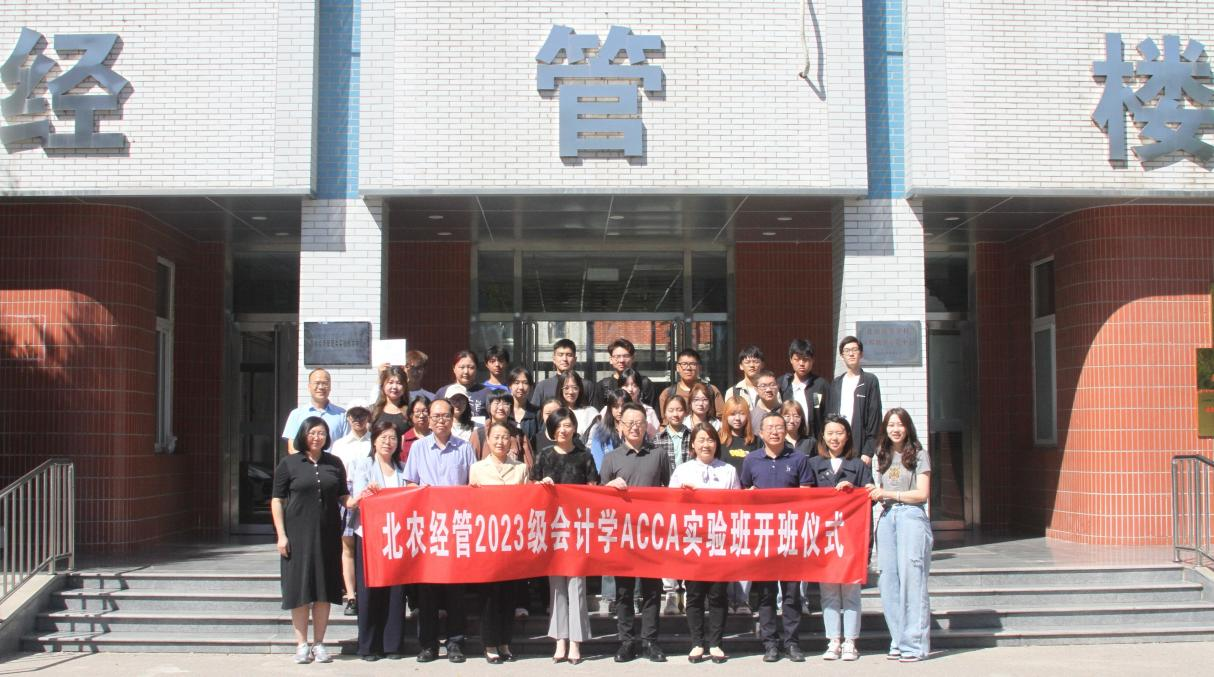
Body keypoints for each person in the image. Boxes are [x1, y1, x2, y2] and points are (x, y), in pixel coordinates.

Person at [272, 417, 363, 664]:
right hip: (297, 536)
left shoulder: (334, 463)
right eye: (312, 433)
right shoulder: (289, 463)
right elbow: (277, 500)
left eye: (321, 433)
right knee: (300, 591)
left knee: (324, 591)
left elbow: (344, 496)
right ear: (303, 435)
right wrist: (281, 535)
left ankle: (319, 643)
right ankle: (301, 644)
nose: (317, 437)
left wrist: (358, 499)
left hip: (327, 535)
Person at [401, 398, 477, 663]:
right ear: (428, 420)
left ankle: (455, 643)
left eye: (445, 416)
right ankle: (428, 645)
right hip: (428, 529)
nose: (440, 420)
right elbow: (410, 484)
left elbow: (473, 485)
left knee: (456, 591)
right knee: (427, 591)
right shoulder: (418, 448)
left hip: (456, 528)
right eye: (435, 416)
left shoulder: (465, 448)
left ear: (452, 418)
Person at [600, 403, 672, 663]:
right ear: (619, 426)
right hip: (622, 534)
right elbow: (599, 498)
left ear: (646, 426)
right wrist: (609, 486)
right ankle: (627, 641)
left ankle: (650, 641)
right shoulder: (611, 458)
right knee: (624, 591)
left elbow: (668, 489)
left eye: (639, 422)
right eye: (629, 422)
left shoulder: (658, 454)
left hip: (651, 532)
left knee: (652, 589)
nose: (634, 427)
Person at [740, 412, 814, 663]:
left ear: (786, 430)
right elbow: (743, 494)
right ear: (760, 433)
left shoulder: (799, 459)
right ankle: (770, 643)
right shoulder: (751, 460)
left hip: (791, 535)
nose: (774, 432)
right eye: (769, 428)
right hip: (763, 536)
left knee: (792, 594)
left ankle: (792, 643)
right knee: (766, 593)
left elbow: (807, 495)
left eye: (779, 427)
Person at [531, 407, 599, 664]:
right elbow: (531, 490)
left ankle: (576, 642)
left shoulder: (585, 456)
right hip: (553, 528)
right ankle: (560, 639)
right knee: (557, 586)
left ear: (574, 428)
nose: (563, 430)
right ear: (551, 430)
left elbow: (594, 490)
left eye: (567, 425)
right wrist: (541, 487)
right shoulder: (544, 456)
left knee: (577, 586)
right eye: (558, 426)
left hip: (578, 528)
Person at [669, 423, 739, 664]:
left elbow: (736, 504)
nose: (706, 445)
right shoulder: (683, 471)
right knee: (695, 594)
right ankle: (697, 642)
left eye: (710, 440)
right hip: (693, 541)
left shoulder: (728, 470)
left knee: (718, 594)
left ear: (716, 444)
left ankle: (716, 643)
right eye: (701, 440)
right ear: (693, 444)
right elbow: (671, 504)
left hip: (719, 540)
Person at [807, 414, 873, 662]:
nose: (835, 438)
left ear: (847, 436)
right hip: (824, 539)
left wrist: (854, 492)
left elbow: (870, 497)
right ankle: (833, 640)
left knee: (851, 592)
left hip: (850, 539)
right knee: (829, 592)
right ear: (823, 437)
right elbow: (806, 499)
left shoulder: (859, 465)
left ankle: (851, 642)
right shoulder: (813, 464)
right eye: (830, 433)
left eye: (840, 433)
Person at [869, 408, 933, 663]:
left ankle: (914, 644)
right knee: (888, 581)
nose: (895, 429)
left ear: (908, 427)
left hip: (911, 517)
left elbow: (922, 494)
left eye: (900, 424)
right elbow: (880, 490)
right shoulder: (881, 455)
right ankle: (898, 639)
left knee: (912, 579)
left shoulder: (919, 454)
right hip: (887, 518)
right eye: (891, 425)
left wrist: (889, 494)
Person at [469, 420, 530, 663]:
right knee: (489, 596)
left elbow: (528, 501)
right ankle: (490, 644)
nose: (501, 441)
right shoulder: (477, 469)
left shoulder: (521, 469)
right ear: (488, 440)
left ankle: (505, 642)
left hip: (512, 541)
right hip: (487, 541)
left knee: (508, 595)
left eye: (505, 437)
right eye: (496, 437)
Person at [350, 421, 408, 661]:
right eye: (383, 437)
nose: (388, 442)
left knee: (396, 592)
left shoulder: (403, 469)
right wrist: (368, 493)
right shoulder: (363, 465)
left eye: (392, 438)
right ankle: (368, 646)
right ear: (374, 440)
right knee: (369, 591)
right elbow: (357, 499)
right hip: (370, 537)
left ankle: (392, 645)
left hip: (396, 537)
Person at [330, 406, 371, 617]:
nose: (358, 419)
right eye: (354, 415)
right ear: (347, 418)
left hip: (371, 498)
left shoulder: (375, 441)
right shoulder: (339, 445)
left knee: (367, 548)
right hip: (346, 497)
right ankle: (351, 596)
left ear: (369, 416)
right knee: (347, 548)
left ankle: (367, 592)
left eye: (362, 415)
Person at [652, 394, 691, 616]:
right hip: (666, 500)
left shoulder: (693, 436)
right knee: (669, 546)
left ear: (685, 412)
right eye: (671, 410)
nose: (675, 414)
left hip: (690, 500)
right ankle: (670, 594)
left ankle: (687, 591)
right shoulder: (657, 439)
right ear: (664, 413)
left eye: (679, 409)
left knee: (689, 544)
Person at [826, 336, 883, 462]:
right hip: (837, 446)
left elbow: (875, 418)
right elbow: (829, 417)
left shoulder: (869, 381)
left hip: (860, 449)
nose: (851, 354)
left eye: (854, 350)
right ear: (842, 356)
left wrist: (868, 451)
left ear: (861, 354)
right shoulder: (836, 383)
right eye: (847, 351)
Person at [281, 368, 349, 454]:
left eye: (325, 383)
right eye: (317, 383)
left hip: (333, 462)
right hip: (304, 462)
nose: (321, 387)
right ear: (309, 386)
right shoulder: (296, 414)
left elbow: (347, 446)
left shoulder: (342, 415)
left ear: (330, 386)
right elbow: (292, 448)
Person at [778, 339, 829, 445]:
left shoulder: (820, 385)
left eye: (805, 359)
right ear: (791, 360)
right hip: (786, 443)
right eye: (797, 359)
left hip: (814, 442)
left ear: (812, 360)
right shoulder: (783, 384)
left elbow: (826, 414)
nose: (801, 363)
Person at [477, 392, 535, 470]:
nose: (501, 407)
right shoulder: (479, 434)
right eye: (496, 403)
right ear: (489, 406)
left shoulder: (519, 434)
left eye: (506, 404)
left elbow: (528, 465)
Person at [659, 348, 726, 414]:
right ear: (677, 367)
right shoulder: (667, 394)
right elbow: (664, 419)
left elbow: (721, 417)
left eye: (693, 364)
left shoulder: (711, 390)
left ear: (699, 367)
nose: (688, 368)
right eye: (684, 364)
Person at [593, 337, 656, 408]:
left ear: (633, 358)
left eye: (626, 356)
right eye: (617, 356)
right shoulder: (603, 386)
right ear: (611, 359)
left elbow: (652, 411)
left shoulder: (644, 383)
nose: (621, 360)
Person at [436, 350, 491, 420]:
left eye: (471, 367)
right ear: (454, 368)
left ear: (476, 369)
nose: (466, 372)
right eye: (462, 367)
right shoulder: (443, 392)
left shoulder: (486, 392)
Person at [588, 388, 628, 471]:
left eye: (624, 406)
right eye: (616, 407)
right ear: (610, 408)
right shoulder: (600, 431)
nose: (620, 410)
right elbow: (598, 463)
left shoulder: (636, 430)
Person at [718, 396, 757, 477]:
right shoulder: (718, 440)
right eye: (732, 414)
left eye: (742, 414)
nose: (737, 418)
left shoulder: (756, 441)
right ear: (726, 416)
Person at [530, 338, 578, 406]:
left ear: (575, 359)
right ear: (554, 359)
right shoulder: (543, 386)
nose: (564, 359)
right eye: (560, 355)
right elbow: (534, 411)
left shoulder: (586, 386)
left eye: (569, 355)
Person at [556, 370, 600, 438]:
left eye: (575, 388)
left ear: (580, 389)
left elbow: (595, 438)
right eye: (566, 388)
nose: (571, 392)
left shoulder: (590, 412)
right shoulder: (555, 412)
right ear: (560, 390)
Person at [618, 368, 661, 436]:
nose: (630, 389)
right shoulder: (609, 409)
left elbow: (655, 437)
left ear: (639, 389)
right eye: (626, 385)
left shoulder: (649, 412)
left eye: (634, 385)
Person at [370, 365, 409, 436]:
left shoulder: (410, 411)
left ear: (405, 386)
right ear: (383, 385)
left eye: (399, 383)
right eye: (390, 382)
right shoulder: (373, 410)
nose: (394, 387)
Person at [508, 366, 540, 444]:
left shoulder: (537, 412)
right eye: (516, 383)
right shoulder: (504, 411)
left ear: (531, 387)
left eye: (525, 383)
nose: (521, 387)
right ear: (510, 386)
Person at [399, 395, 431, 465]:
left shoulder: (437, 437)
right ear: (411, 415)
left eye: (425, 411)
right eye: (417, 411)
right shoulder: (403, 440)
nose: (421, 415)